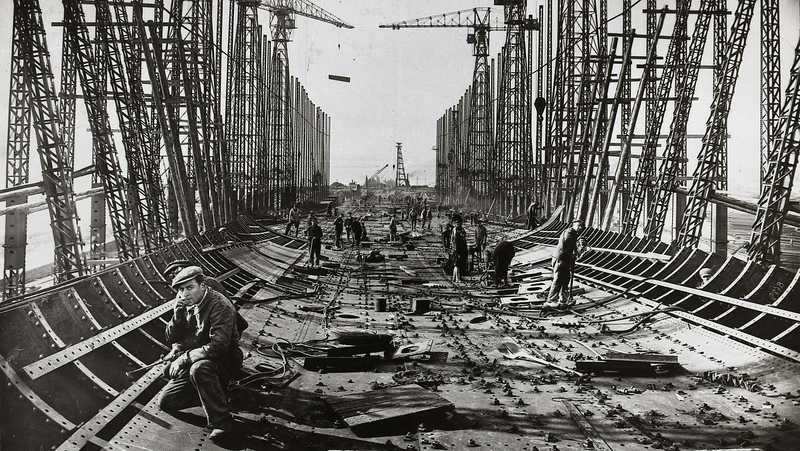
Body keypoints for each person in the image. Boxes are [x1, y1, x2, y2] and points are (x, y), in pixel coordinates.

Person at [159, 266, 243, 442]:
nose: (185, 294)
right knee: (166, 402)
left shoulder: (219, 305)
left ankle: (222, 422)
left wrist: (184, 359)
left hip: (224, 361)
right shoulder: (187, 304)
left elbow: (218, 347)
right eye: (181, 289)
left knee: (199, 369)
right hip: (199, 357)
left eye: (190, 287)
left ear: (203, 285)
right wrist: (177, 315)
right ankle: (215, 393)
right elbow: (170, 337)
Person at [545, 220, 586, 307]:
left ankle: (563, 300)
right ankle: (551, 300)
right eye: (579, 227)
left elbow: (573, 246)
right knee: (558, 280)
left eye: (581, 228)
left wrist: (575, 252)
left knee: (565, 280)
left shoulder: (573, 233)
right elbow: (567, 248)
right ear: (575, 226)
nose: (580, 229)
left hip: (565, 260)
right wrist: (573, 255)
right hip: (561, 259)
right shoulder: (569, 233)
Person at [451, 217, 468, 283]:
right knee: (457, 264)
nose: (459, 224)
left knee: (458, 264)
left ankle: (454, 278)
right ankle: (457, 279)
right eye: (458, 223)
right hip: (457, 249)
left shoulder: (461, 229)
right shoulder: (455, 230)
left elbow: (464, 238)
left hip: (461, 249)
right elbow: (454, 240)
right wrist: (456, 250)